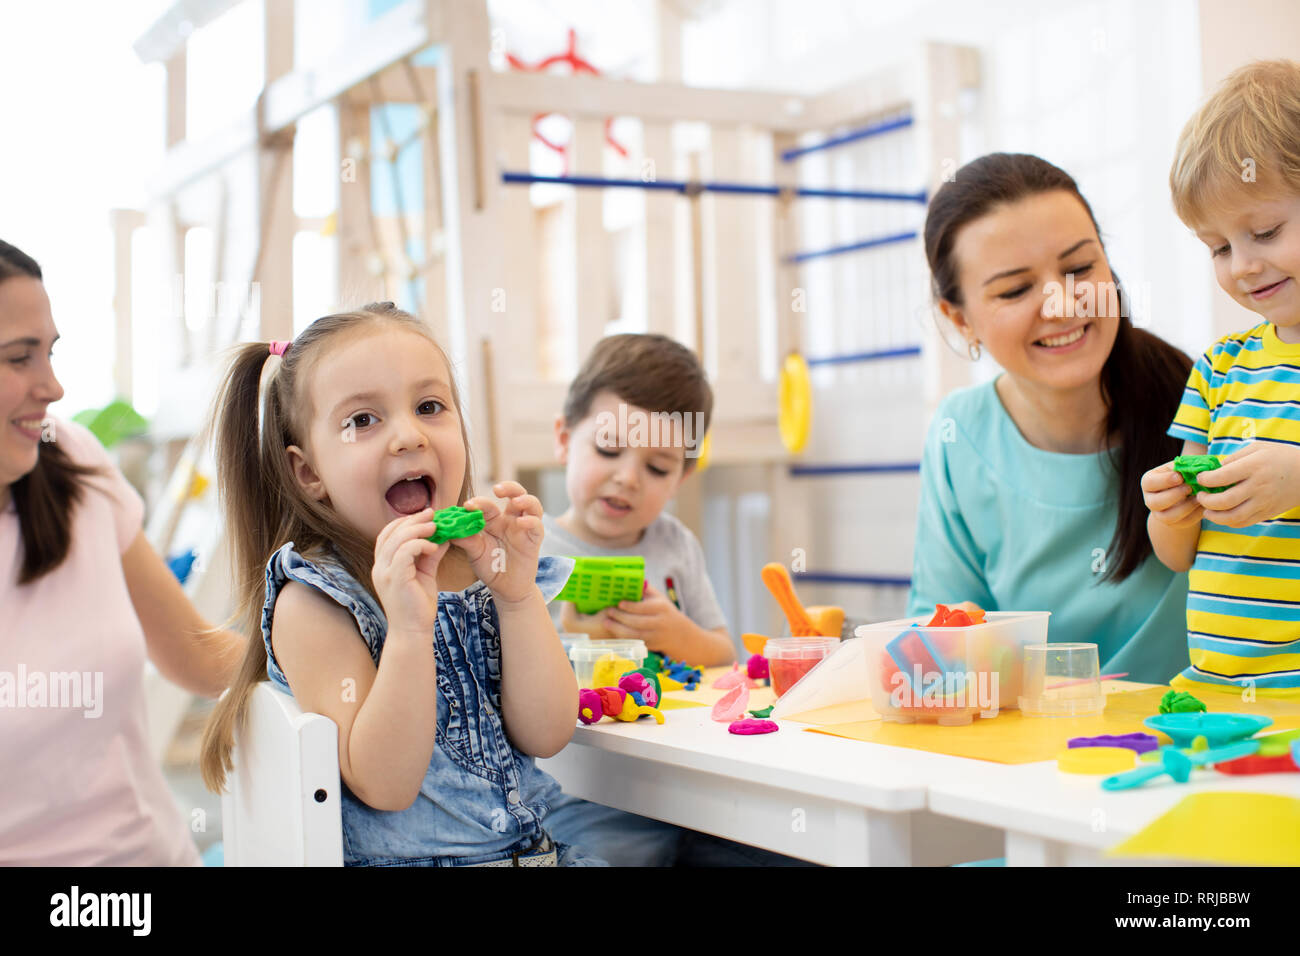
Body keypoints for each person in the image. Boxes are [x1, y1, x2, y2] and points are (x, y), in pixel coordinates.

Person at [198, 301, 603, 866]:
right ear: (308, 472)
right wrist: (409, 629)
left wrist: (517, 598)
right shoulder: (316, 602)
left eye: (430, 406)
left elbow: (548, 732)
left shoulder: (482, 569)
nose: (408, 436)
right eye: (363, 420)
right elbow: (385, 784)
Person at [0, 238, 245, 865]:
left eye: (49, 353)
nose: (51, 386)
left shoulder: (71, 458)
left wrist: (351, 632)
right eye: (18, 358)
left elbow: (199, 654)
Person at [908, 154, 1193, 684]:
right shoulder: (960, 436)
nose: (1062, 304)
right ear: (959, 318)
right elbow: (942, 647)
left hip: (1203, 744)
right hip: (1032, 754)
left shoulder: (1204, 403)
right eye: (1016, 290)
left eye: (1081, 267)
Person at [542, 332, 810, 866]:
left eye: (657, 467)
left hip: (696, 785)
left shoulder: (675, 545)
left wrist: (675, 634)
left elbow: (719, 652)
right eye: (609, 449)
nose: (627, 477)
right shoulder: (533, 549)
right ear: (565, 439)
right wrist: (569, 639)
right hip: (587, 792)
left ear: (683, 476)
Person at [1145, 60, 1300, 697]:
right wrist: (1173, 514)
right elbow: (1179, 555)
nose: (1243, 266)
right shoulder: (1219, 369)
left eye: (1264, 232)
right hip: (1214, 688)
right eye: (1217, 247)